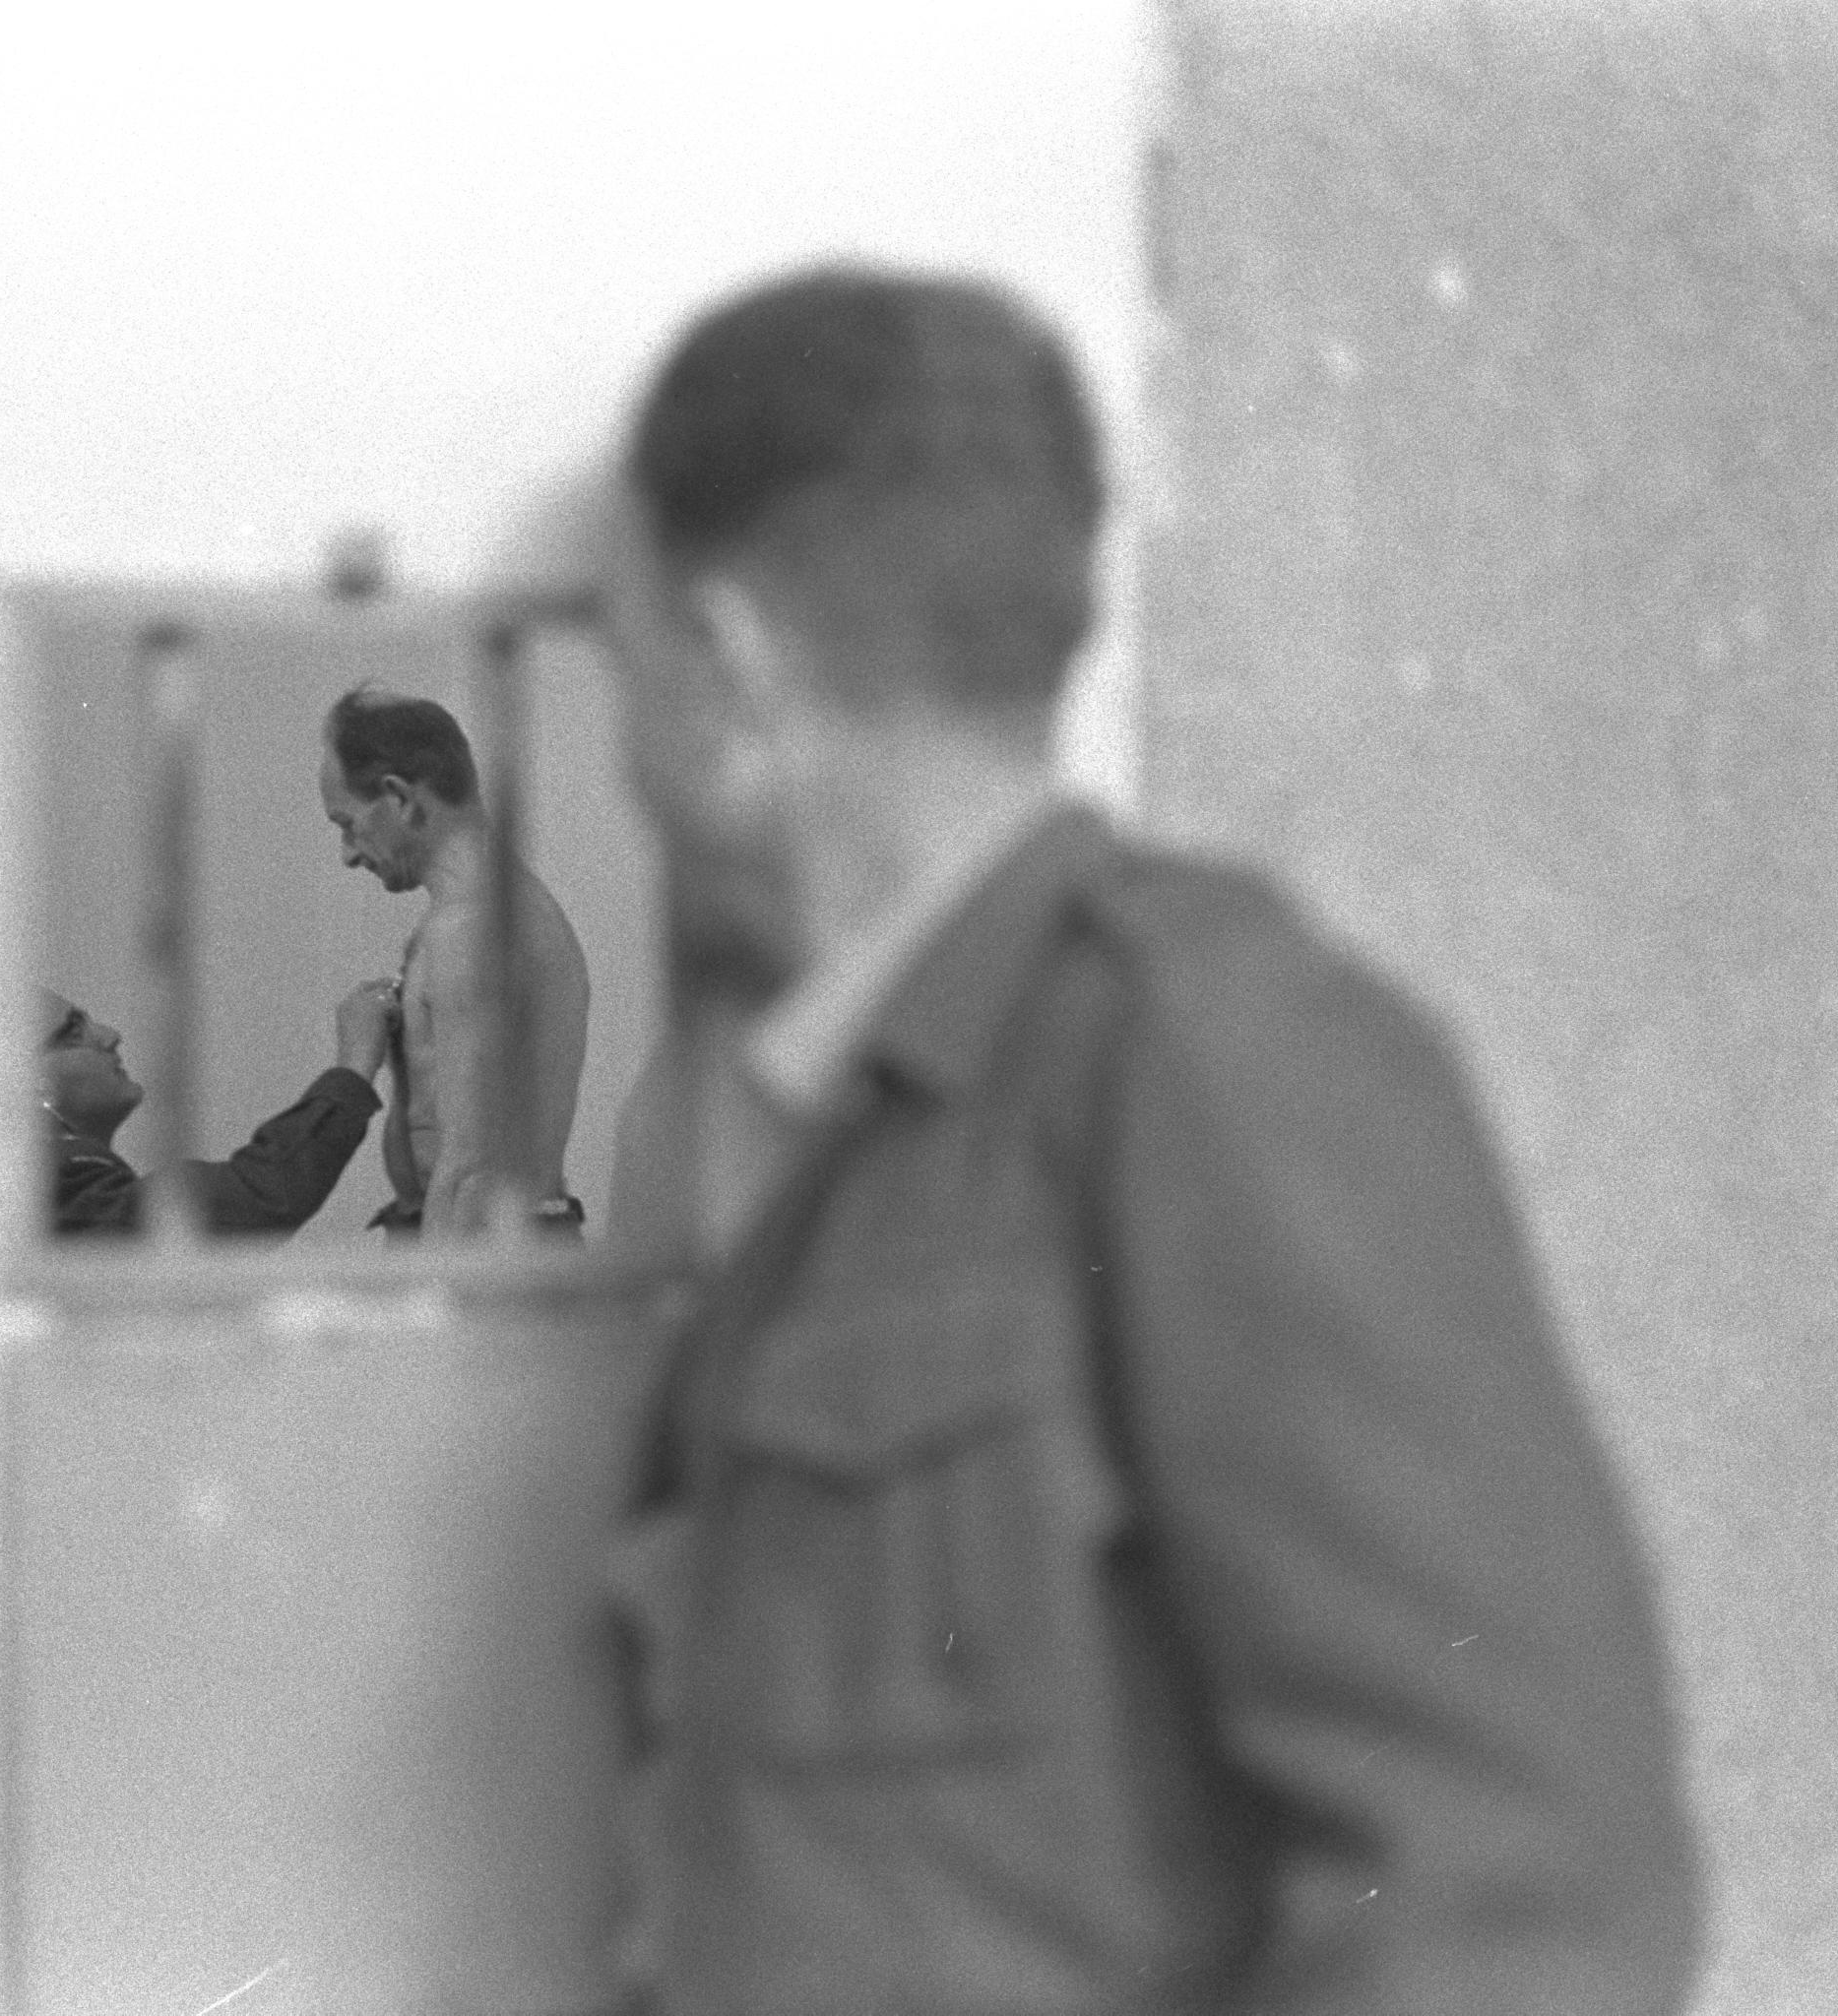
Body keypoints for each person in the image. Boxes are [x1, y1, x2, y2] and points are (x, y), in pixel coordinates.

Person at [569, 266, 1701, 2012]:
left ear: (724, 674)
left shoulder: (1210, 1048)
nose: (620, 750)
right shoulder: (870, 1150)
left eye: (623, 660)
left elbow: (1527, 1897)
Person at [318, 687, 592, 1237]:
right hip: (488, 1247)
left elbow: (473, 1169)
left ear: (399, 799)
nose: (347, 854)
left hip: (492, 1259)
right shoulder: (476, 918)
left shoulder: (472, 932)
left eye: (348, 824)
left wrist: (437, 1284)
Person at [42, 979, 395, 1236]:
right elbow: (256, 1198)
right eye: (72, 1032)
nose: (109, 1034)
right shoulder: (45, 1176)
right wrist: (355, 1065)